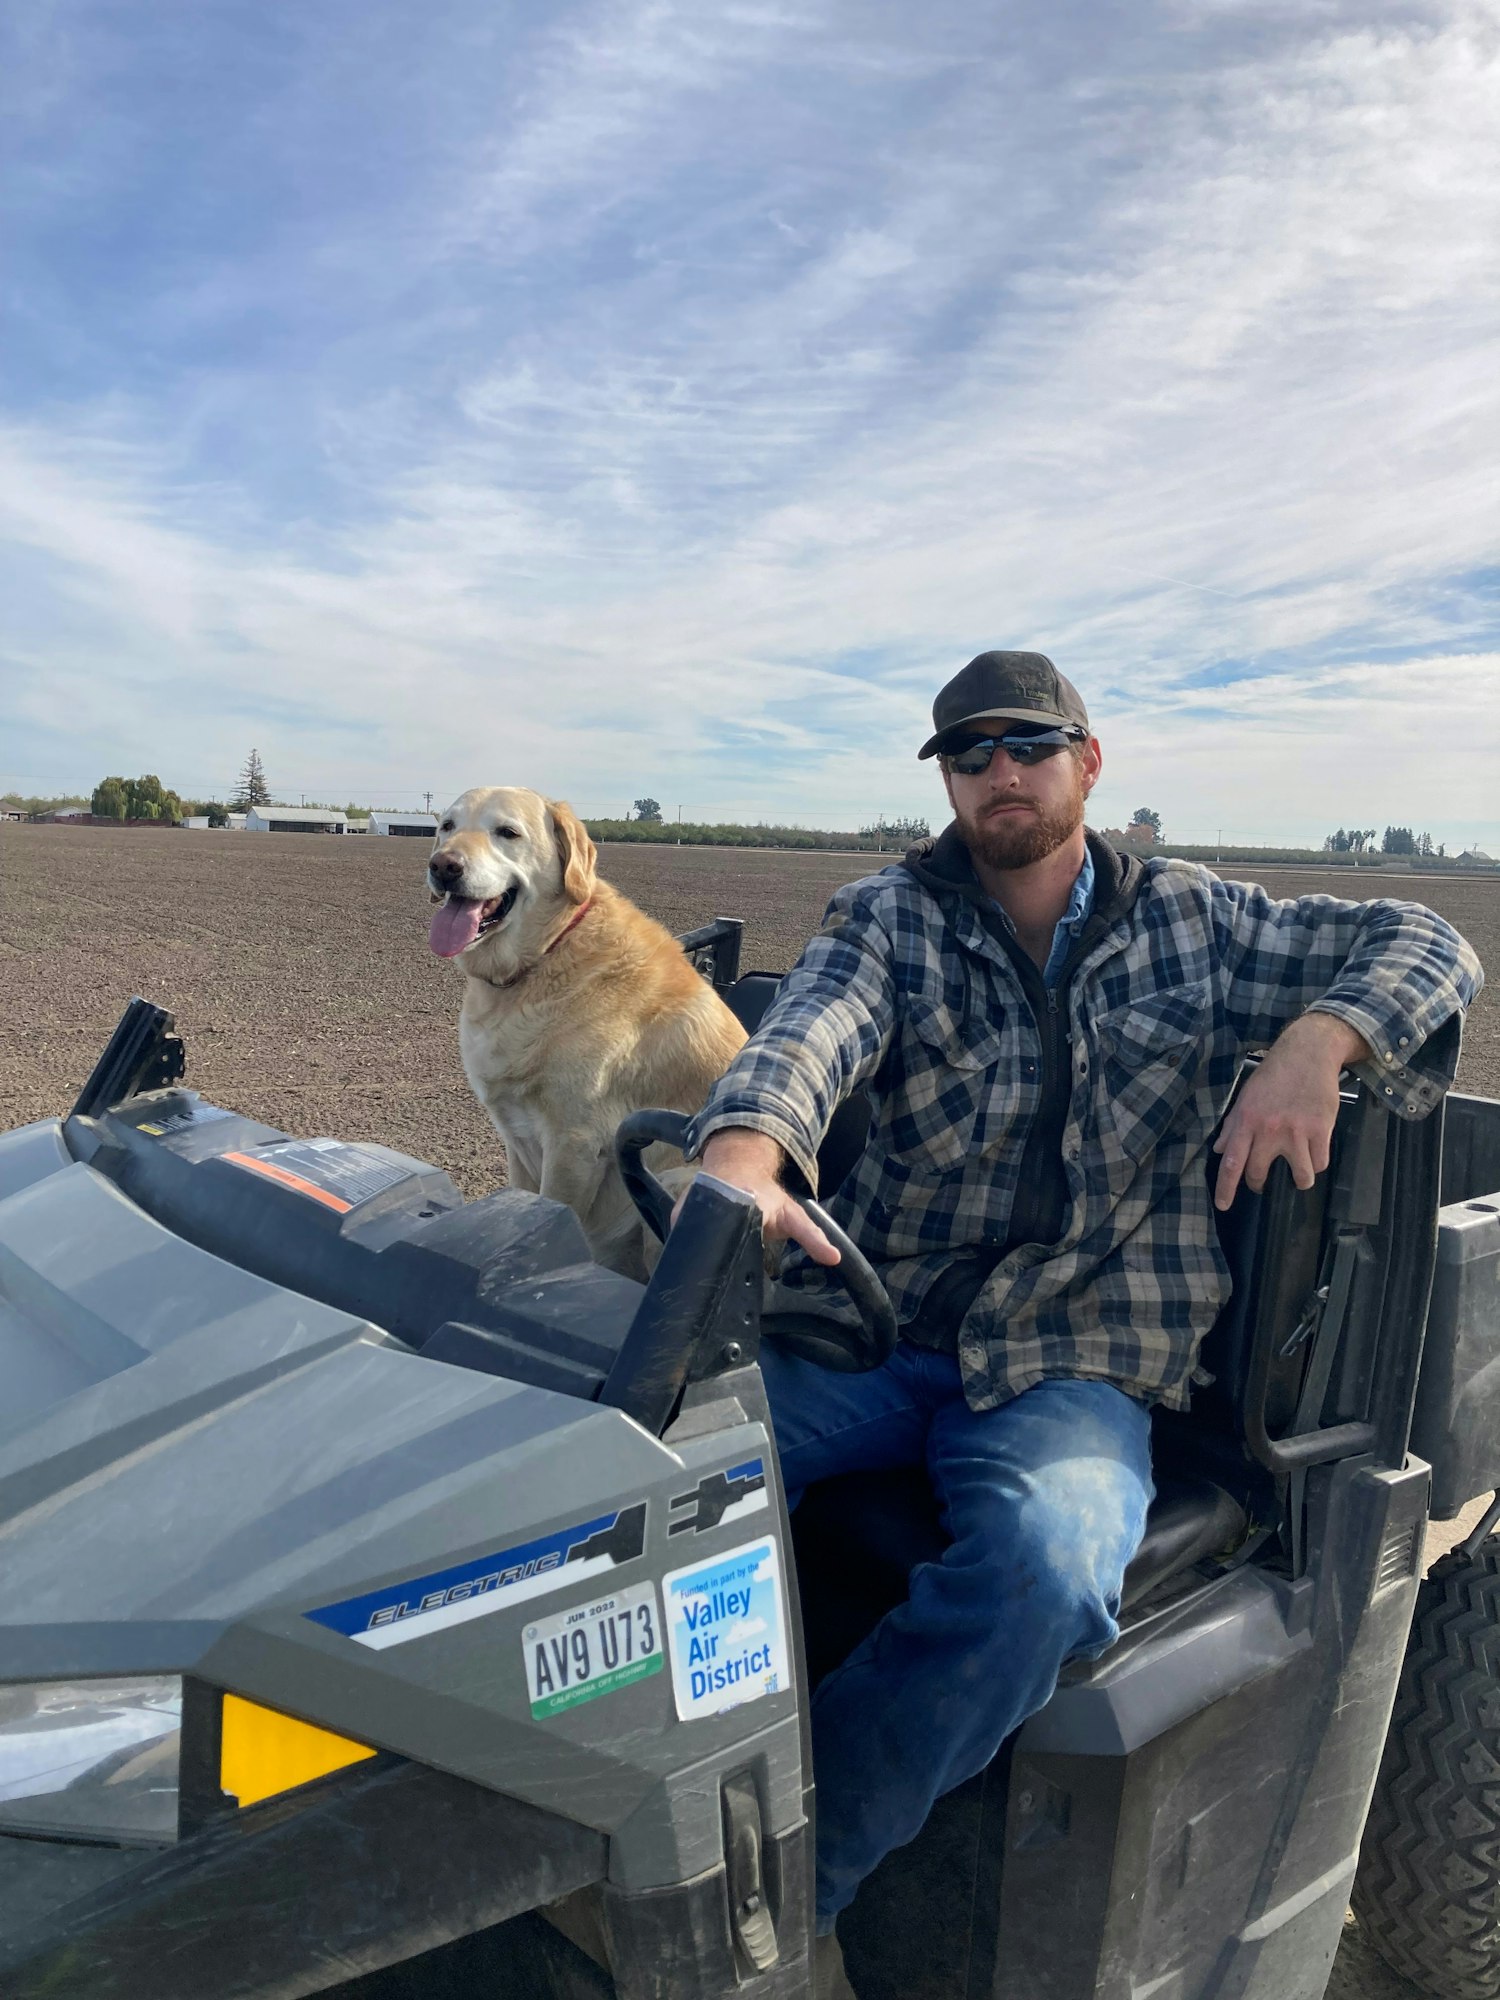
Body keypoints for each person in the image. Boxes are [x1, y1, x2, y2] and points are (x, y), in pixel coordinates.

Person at [679, 650, 1483, 1993]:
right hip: (884, 1325)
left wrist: (1317, 1040)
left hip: (1079, 1355)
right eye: (969, 752)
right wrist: (748, 1153)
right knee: (626, 1472)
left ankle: (773, 1899)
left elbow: (1433, 945)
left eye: (1028, 744)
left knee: (1049, 1573)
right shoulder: (891, 915)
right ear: (946, 780)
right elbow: (809, 1033)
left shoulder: (1199, 922)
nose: (1000, 772)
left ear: (1088, 763)